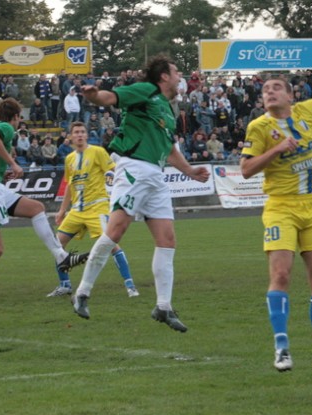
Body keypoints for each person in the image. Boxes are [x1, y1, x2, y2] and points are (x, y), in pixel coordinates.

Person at [70, 54, 210, 330]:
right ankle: (83, 292)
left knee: (167, 239)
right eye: (176, 70)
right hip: (134, 167)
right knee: (116, 230)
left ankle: (163, 307)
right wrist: (94, 95)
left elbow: (169, 149)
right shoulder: (147, 90)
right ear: (164, 76)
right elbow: (109, 99)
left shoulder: (168, 109)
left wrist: (191, 171)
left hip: (155, 175)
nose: (181, 75)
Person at [240, 71, 312, 377]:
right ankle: (282, 346)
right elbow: (246, 169)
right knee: (281, 273)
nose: (270, 93)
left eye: (276, 88)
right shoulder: (259, 127)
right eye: (265, 90)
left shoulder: (307, 110)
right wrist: (275, 150)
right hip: (280, 208)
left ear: (291, 95)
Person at [0, 98, 89, 322]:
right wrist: (13, 164)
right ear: (15, 117)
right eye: (18, 119)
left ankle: (61, 256)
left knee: (36, 208)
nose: (18, 124)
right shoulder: (3, 127)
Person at [48, 122, 138, 298]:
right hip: (76, 210)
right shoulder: (69, 159)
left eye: (83, 132)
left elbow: (114, 170)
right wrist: (61, 211)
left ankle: (130, 285)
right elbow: (69, 185)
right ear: (70, 136)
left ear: (87, 135)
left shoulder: (97, 152)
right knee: (57, 245)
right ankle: (65, 285)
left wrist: (119, 184)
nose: (80, 135)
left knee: (110, 244)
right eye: (76, 132)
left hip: (97, 207)